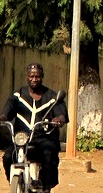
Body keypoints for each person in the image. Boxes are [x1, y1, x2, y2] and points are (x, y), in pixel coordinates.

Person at [1, 63, 67, 193]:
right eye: (32, 76)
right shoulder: (18, 95)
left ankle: (46, 186)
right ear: (27, 76)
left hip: (44, 137)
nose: (34, 79)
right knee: (8, 156)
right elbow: (7, 112)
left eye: (37, 76)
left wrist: (59, 119)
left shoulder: (52, 97)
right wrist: (3, 117)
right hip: (22, 137)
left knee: (49, 153)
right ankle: (14, 182)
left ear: (42, 77)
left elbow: (62, 114)